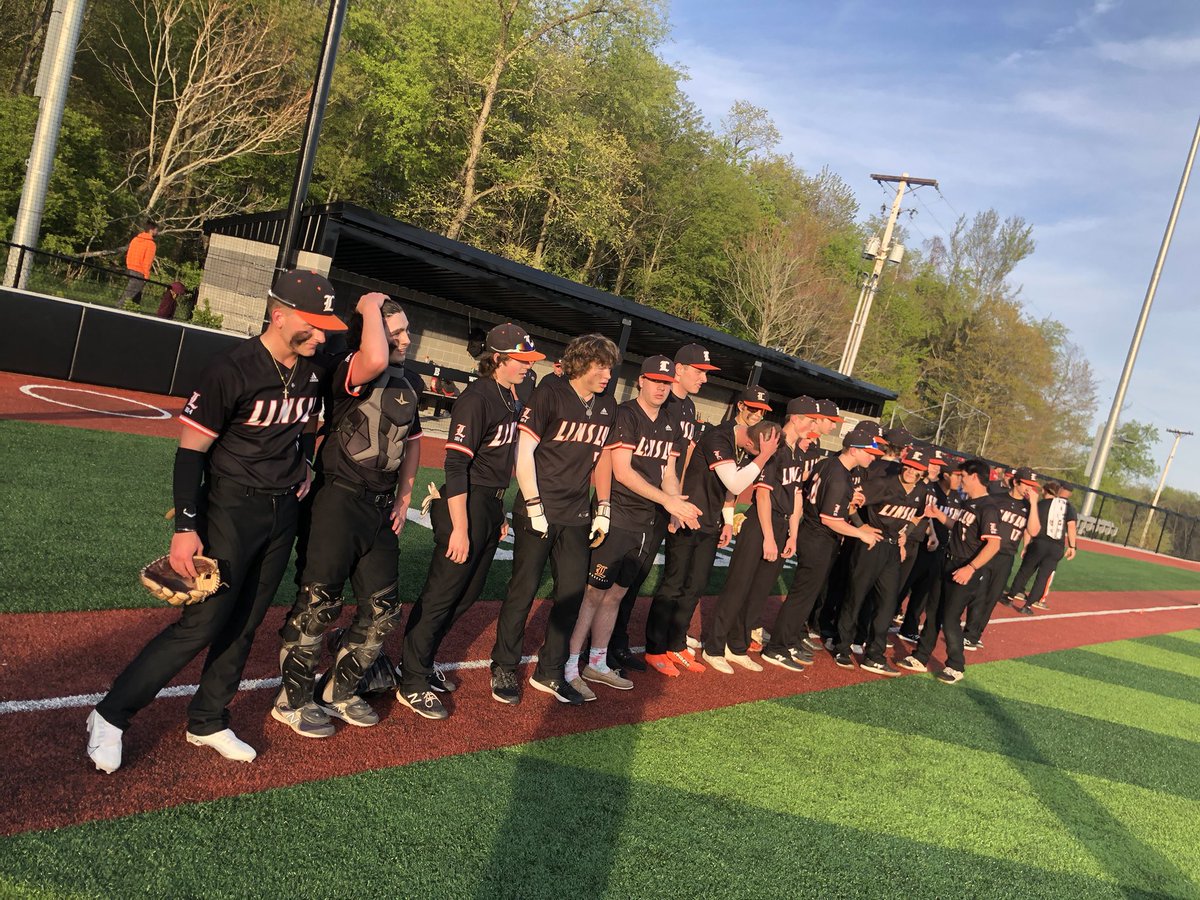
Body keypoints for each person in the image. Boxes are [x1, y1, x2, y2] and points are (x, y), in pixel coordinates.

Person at [86, 268, 346, 773]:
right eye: (312, 325)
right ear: (279, 316)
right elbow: (191, 453)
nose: (321, 336)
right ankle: (111, 714)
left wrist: (304, 464)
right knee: (203, 622)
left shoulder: (314, 370)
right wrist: (186, 528)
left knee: (247, 621)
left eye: (325, 327)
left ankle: (208, 719)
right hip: (230, 506)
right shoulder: (231, 368)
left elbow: (304, 426)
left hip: (282, 510)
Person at [273, 295, 423, 736]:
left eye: (407, 330)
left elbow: (412, 441)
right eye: (396, 332)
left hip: (380, 508)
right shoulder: (350, 367)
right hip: (337, 501)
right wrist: (369, 304)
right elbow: (373, 356)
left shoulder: (409, 379)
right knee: (318, 607)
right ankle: (291, 701)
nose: (406, 339)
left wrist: (404, 497)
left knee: (383, 611)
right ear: (371, 331)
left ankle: (338, 692)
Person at [398, 324, 543, 719]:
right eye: (520, 360)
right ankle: (410, 678)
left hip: (489, 505)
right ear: (497, 359)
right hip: (467, 503)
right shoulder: (477, 398)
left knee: (466, 594)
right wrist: (460, 527)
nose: (527, 367)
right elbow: (456, 465)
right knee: (442, 595)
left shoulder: (510, 395)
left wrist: (497, 513)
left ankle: (422, 662)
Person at [490, 333, 620, 705]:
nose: (607, 375)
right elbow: (524, 453)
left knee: (571, 594)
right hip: (539, 508)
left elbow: (603, 457)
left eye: (609, 368)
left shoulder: (607, 404)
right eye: (600, 367)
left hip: (576, 513)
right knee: (523, 590)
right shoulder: (549, 392)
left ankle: (549, 671)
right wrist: (533, 505)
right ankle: (504, 665)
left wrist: (604, 506)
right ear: (580, 364)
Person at [568, 356, 701, 698]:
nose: (660, 387)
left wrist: (676, 504)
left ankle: (596, 662)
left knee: (616, 594)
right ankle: (567, 665)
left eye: (666, 382)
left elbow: (668, 472)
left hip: (645, 520)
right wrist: (668, 500)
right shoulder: (626, 414)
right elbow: (622, 471)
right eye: (655, 380)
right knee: (593, 593)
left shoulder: (670, 421)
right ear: (641, 380)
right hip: (618, 516)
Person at [643, 388, 779, 676]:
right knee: (673, 584)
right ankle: (655, 648)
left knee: (695, 586)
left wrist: (727, 520)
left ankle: (676, 644)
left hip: (709, 522)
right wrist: (763, 457)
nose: (756, 456)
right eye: (757, 450)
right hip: (686, 516)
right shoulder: (719, 436)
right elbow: (734, 482)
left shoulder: (741, 444)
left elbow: (728, 491)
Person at [608, 343, 718, 674]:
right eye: (699, 371)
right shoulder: (655, 404)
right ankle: (602, 647)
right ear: (679, 369)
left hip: (660, 502)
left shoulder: (687, 408)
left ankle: (616, 643)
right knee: (612, 582)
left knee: (635, 578)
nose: (704, 379)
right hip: (629, 502)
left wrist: (675, 502)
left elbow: (676, 463)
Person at [704, 397, 818, 672]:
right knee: (738, 587)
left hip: (781, 525)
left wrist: (792, 535)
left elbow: (795, 496)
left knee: (758, 592)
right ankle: (714, 647)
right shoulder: (776, 447)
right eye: (811, 420)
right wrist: (768, 537)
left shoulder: (798, 452)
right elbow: (763, 495)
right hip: (761, 524)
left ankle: (737, 646)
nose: (814, 426)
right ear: (796, 418)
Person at [762, 423, 884, 671]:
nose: (873, 458)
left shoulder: (829, 464)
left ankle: (790, 640)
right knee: (802, 596)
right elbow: (830, 519)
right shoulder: (840, 475)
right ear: (853, 450)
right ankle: (777, 647)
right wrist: (860, 533)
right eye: (869, 452)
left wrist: (849, 499)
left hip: (813, 532)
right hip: (819, 537)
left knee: (806, 595)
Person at [899, 459, 1002, 684]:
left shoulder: (988, 508)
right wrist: (938, 515)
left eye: (963, 476)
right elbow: (959, 528)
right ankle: (921, 656)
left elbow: (994, 544)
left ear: (974, 477)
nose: (960, 481)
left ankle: (955, 665)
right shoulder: (969, 503)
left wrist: (970, 568)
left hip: (965, 567)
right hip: (946, 562)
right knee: (933, 611)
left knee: (950, 618)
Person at [833, 446, 931, 675]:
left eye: (916, 469)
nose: (911, 471)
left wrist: (905, 534)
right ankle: (842, 647)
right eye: (909, 466)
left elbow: (918, 515)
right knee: (856, 596)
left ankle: (875, 655)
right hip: (871, 544)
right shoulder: (882, 483)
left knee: (887, 604)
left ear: (923, 473)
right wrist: (861, 526)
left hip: (893, 549)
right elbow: (850, 503)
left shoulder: (922, 491)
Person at [963, 466, 1040, 651]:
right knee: (978, 594)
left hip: (1006, 557)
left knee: (992, 597)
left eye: (1032, 485)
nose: (1029, 488)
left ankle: (975, 635)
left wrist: (1034, 504)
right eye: (1026, 484)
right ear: (1016, 482)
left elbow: (1034, 530)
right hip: (987, 552)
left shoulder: (1029, 507)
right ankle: (969, 633)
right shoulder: (997, 499)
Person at [1008, 481, 1078, 615]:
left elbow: (1029, 526)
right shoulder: (1069, 507)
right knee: (1043, 577)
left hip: (1039, 542)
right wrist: (1072, 546)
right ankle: (1028, 606)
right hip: (1057, 546)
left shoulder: (1040, 504)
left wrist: (1026, 546)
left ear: (1045, 491)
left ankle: (1010, 597)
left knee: (1025, 570)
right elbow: (1071, 526)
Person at [120, 222, 159, 304]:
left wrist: (129, 265)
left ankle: (134, 308)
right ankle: (117, 308)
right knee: (129, 296)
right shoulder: (151, 244)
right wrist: (146, 276)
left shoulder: (135, 239)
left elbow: (129, 254)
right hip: (139, 272)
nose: (157, 232)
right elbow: (147, 262)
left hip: (130, 268)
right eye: (156, 230)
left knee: (136, 295)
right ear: (151, 230)